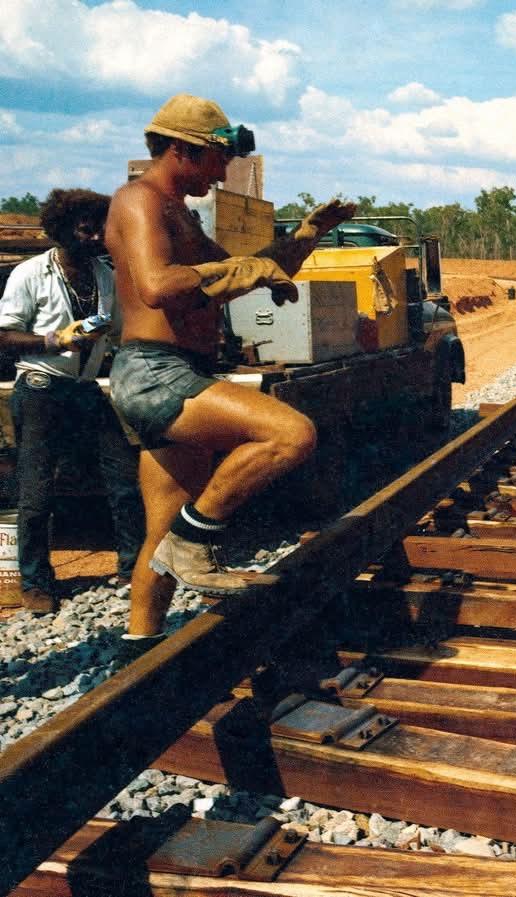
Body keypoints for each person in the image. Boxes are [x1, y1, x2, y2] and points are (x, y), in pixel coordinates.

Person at [104, 93, 354, 649]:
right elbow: (157, 285)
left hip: (173, 371)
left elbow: (257, 269)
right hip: (156, 372)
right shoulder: (139, 201)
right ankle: (197, 545)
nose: (222, 173)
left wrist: (309, 233)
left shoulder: (179, 212)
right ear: (180, 150)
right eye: (217, 159)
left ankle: (138, 653)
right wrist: (245, 268)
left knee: (162, 534)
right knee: (291, 433)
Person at [0, 189, 144, 614]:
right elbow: (4, 336)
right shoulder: (30, 274)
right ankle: (36, 583)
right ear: (62, 230)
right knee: (37, 491)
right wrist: (54, 339)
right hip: (42, 389)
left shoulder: (105, 275)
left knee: (123, 478)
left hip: (84, 390)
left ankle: (133, 568)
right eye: (86, 228)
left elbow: (120, 332)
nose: (96, 236)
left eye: (102, 228)